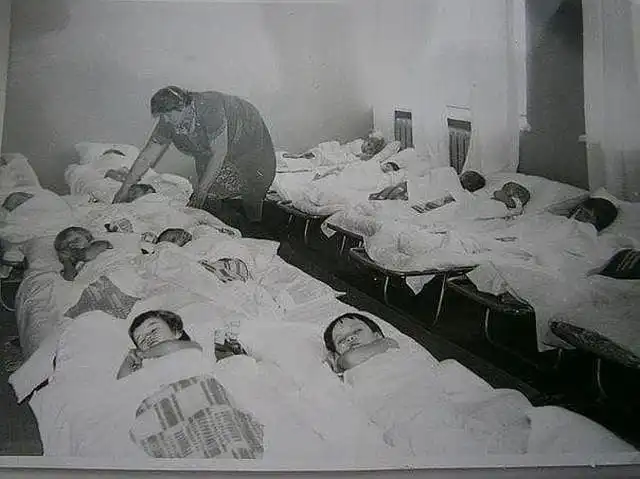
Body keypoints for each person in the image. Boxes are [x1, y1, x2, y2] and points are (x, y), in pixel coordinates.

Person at [112, 86, 276, 232]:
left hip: (247, 134)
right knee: (208, 200)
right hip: (213, 148)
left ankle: (254, 227)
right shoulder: (169, 120)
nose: (165, 120)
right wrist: (125, 188)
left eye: (168, 115)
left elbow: (219, 152)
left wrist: (201, 191)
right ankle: (231, 228)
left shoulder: (209, 108)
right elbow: (147, 156)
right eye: (162, 116)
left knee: (250, 187)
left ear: (182, 107)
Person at [117, 310, 202, 379]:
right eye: (142, 340)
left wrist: (143, 354)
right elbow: (123, 381)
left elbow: (169, 347)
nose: (148, 338)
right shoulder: (149, 369)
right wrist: (130, 359)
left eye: (153, 330)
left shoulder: (191, 346)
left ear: (176, 331)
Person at [323, 312, 399, 373]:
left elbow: (350, 359)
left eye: (357, 331)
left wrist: (339, 363)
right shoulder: (342, 371)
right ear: (336, 354)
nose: (349, 338)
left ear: (377, 336)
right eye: (341, 340)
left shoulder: (387, 343)